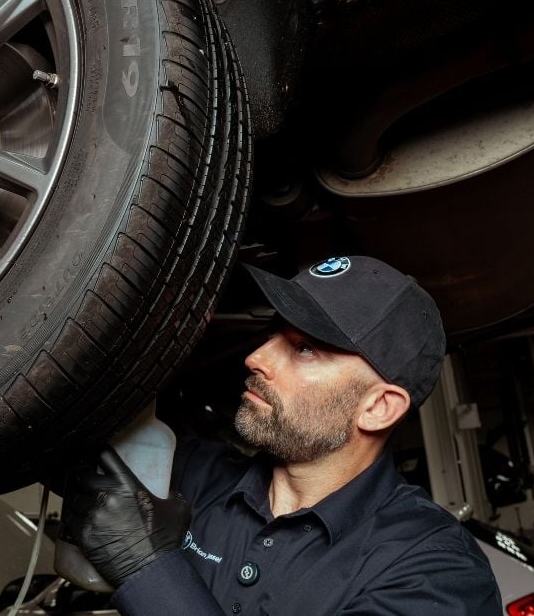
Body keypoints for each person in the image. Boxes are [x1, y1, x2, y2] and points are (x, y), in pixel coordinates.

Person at [63, 256, 502, 614]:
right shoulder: (193, 470)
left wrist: (148, 570)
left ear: (378, 407)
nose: (256, 357)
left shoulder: (437, 570)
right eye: (274, 334)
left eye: (305, 348)